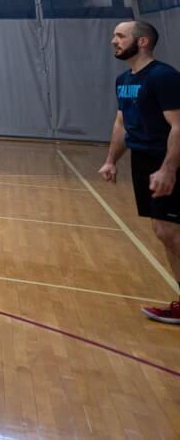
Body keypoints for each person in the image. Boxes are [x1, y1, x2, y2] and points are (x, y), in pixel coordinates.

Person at [98, 20, 180, 324]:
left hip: (166, 159)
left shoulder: (164, 77)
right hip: (142, 160)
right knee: (165, 233)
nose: (113, 41)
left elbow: (178, 126)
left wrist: (169, 169)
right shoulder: (123, 81)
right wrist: (111, 160)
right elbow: (122, 123)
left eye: (120, 36)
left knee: (168, 231)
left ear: (142, 41)